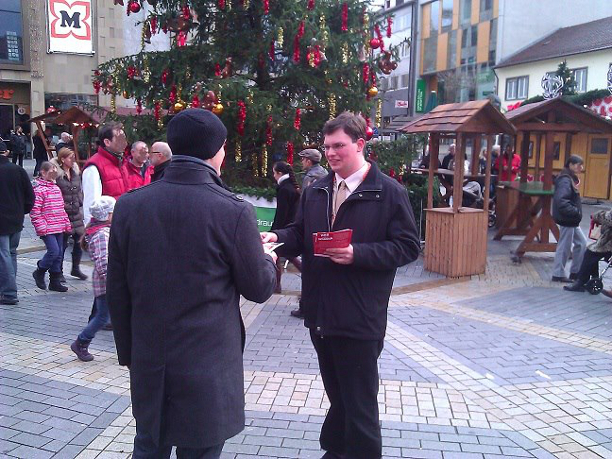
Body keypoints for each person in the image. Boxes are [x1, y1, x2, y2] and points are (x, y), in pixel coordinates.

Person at [107, 109, 278, 459]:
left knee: (149, 445)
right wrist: (268, 259)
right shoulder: (233, 211)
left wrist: (129, 354)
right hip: (208, 367)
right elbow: (258, 288)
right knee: (200, 451)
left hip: (151, 360)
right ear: (217, 150)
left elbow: (117, 290)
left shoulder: (129, 206)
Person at [262, 112, 420, 459]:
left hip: (361, 314)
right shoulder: (317, 190)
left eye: (339, 146)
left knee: (359, 402)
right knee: (339, 394)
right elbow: (300, 233)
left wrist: (358, 254)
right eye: (327, 146)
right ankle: (337, 450)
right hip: (320, 312)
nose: (331, 153)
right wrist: (277, 236)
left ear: (360, 144)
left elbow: (408, 246)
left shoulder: (388, 192)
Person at [71, 196, 115, 362]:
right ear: (108, 214)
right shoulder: (102, 234)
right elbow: (104, 262)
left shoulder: (102, 230)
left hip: (108, 282)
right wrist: (113, 283)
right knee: (102, 316)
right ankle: (81, 342)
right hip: (106, 284)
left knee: (109, 315)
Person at [0, 141, 35, 305]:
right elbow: (30, 196)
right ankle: (8, 288)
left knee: (4, 255)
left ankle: (9, 292)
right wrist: (22, 211)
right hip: (16, 218)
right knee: (11, 253)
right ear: (6, 152)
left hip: (2, 221)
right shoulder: (18, 170)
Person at [31, 162, 73, 293]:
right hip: (47, 227)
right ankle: (40, 270)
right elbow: (35, 211)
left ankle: (54, 281)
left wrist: (66, 224)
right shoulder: (39, 190)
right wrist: (41, 226)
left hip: (59, 226)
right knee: (53, 251)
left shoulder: (55, 188)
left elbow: (61, 209)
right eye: (51, 171)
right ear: (43, 172)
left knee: (59, 253)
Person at [51, 148, 88, 281]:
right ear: (62, 159)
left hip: (76, 213)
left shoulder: (75, 172)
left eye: (73, 157)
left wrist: (79, 201)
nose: (73, 160)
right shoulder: (56, 174)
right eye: (70, 158)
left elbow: (79, 189)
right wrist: (62, 205)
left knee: (79, 241)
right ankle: (58, 271)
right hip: (63, 213)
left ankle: (75, 268)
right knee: (62, 244)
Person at [82, 123, 129, 224]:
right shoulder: (94, 166)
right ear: (107, 142)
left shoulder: (122, 163)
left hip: (124, 223)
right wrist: (91, 231)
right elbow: (91, 205)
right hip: (106, 229)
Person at [551, 155, 586, 283]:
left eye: (581, 165)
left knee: (581, 243)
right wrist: (575, 212)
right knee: (564, 246)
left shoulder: (569, 178)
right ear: (570, 164)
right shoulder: (565, 180)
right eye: (578, 165)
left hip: (571, 219)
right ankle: (558, 274)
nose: (580, 167)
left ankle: (575, 272)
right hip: (568, 218)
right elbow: (561, 201)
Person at [271, 161, 302, 297]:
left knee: (278, 255)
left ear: (279, 173)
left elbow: (281, 213)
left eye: (274, 173)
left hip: (284, 228)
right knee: (290, 255)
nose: (273, 176)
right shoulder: (292, 187)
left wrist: (275, 230)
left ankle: (277, 286)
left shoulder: (284, 189)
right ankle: (277, 285)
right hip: (291, 226)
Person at [564, 208, 612, 294]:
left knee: (591, 254)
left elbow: (608, 218)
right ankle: (592, 279)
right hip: (608, 241)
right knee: (592, 252)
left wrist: (597, 215)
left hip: (609, 244)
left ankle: (581, 281)